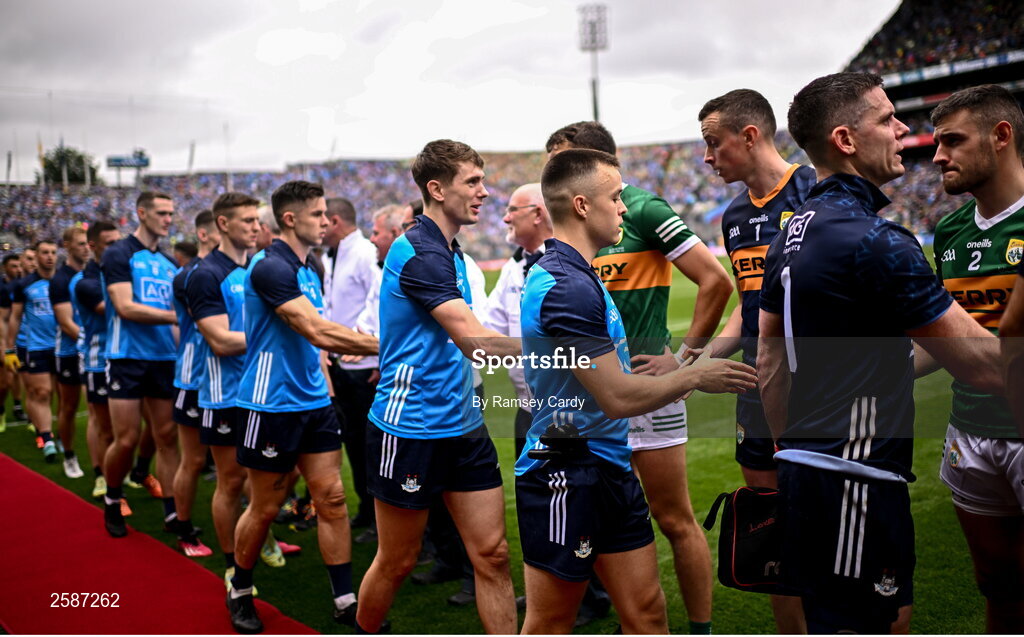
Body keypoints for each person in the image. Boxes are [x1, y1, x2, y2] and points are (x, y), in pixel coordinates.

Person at [758, 71, 1004, 634]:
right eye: (887, 118)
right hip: (856, 477)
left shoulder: (789, 235)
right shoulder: (879, 240)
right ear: (846, 140)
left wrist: (790, 450)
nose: (902, 130)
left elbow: (770, 364)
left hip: (803, 469)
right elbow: (985, 367)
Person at [517, 148, 756, 634]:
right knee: (550, 622)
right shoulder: (567, 286)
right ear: (583, 205)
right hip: (566, 471)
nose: (625, 207)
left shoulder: (580, 272)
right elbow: (617, 397)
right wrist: (694, 374)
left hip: (608, 463)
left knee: (647, 610)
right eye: (616, 197)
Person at [357, 140, 519, 635]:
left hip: (463, 427)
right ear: (436, 188)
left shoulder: (447, 250)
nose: (485, 193)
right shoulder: (421, 253)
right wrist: (576, 351)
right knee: (398, 560)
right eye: (472, 182)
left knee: (491, 554)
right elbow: (476, 342)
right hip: (409, 429)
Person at [226, 180, 378, 633]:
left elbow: (318, 340)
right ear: (290, 219)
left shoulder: (310, 267)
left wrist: (328, 383)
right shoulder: (270, 267)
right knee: (265, 507)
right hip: (270, 405)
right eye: (317, 214)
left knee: (331, 498)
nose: (326, 221)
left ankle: (345, 600)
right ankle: (240, 589)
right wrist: (391, 344)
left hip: (313, 402)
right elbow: (316, 330)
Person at [695, 89, 815, 632]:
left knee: (830, 525)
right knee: (774, 530)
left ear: (750, 136)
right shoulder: (735, 215)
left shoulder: (817, 190)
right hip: (753, 391)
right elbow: (749, 312)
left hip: (821, 392)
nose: (706, 157)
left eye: (713, 143)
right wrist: (691, 362)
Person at [929, 84, 1024, 633]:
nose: (938, 155)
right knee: (996, 582)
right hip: (970, 433)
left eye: (953, 141)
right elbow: (946, 343)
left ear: (1001, 136)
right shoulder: (950, 231)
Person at [187, 193, 267, 588]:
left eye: (257, 220)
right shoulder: (206, 274)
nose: (256, 226)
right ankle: (232, 565)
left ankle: (257, 540)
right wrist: (272, 337)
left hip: (261, 392)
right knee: (231, 482)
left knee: (268, 478)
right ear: (223, 224)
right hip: (224, 396)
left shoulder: (256, 267)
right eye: (248, 220)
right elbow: (219, 340)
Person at [100, 191, 181, 538]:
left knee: (165, 436)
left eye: (171, 213)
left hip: (164, 358)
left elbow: (177, 324)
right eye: (161, 213)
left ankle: (173, 512)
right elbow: (125, 307)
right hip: (127, 357)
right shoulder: (119, 254)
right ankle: (112, 497)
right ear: (141, 213)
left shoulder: (169, 264)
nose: (168, 219)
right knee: (127, 438)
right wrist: (174, 316)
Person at [321, 197, 381, 531]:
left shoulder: (363, 254)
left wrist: (377, 358)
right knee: (353, 444)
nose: (318, 227)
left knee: (368, 445)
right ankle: (365, 508)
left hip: (364, 367)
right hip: (340, 364)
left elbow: (380, 303)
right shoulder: (332, 256)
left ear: (335, 221)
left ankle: (377, 516)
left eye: (322, 219)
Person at [482, 183, 552, 460]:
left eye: (512, 210)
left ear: (537, 214)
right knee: (530, 498)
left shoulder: (573, 262)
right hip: (526, 411)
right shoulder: (512, 268)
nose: (505, 218)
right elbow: (487, 331)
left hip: (570, 413)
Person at [169, 209, 220, 557]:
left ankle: (259, 537)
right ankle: (184, 531)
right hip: (194, 377)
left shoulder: (229, 270)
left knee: (235, 468)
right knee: (193, 460)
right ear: (204, 234)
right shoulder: (189, 275)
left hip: (223, 379)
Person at [69, 221, 122, 501]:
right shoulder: (84, 282)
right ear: (93, 246)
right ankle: (102, 476)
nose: (118, 248)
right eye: (110, 243)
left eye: (119, 242)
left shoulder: (119, 272)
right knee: (104, 426)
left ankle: (132, 472)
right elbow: (118, 309)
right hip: (98, 360)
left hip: (126, 358)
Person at [6, 240, 59, 461]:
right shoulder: (24, 285)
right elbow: (15, 317)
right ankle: (45, 437)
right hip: (35, 346)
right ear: (36, 256)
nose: (49, 257)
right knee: (41, 392)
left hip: (63, 347)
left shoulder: (64, 281)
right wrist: (9, 348)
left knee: (59, 395)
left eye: (53, 253)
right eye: (44, 253)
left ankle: (54, 432)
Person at [50, 226, 91, 478]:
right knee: (69, 405)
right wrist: (92, 342)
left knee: (100, 409)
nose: (86, 247)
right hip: (69, 351)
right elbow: (66, 323)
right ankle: (69, 455)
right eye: (80, 244)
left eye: (88, 243)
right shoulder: (60, 279)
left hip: (91, 351)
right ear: (67, 246)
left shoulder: (92, 274)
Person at [0, 253, 25, 431]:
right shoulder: (2, 287)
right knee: (5, 380)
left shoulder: (22, 285)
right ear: (5, 268)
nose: (17, 269)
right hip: (4, 335)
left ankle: (17, 406)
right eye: (13, 266)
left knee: (18, 373)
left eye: (19, 266)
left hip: (19, 336)